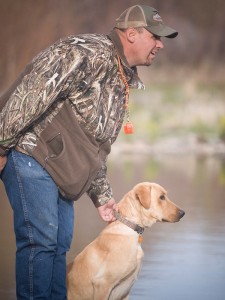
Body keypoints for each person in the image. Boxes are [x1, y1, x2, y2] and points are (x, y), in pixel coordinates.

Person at [0, 4, 178, 300]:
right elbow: (30, 93)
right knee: (41, 243)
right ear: (132, 34)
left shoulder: (122, 78)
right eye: (155, 36)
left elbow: (96, 145)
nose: (160, 44)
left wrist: (101, 194)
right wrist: (2, 144)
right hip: (30, 155)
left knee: (58, 247)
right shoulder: (82, 51)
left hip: (62, 174)